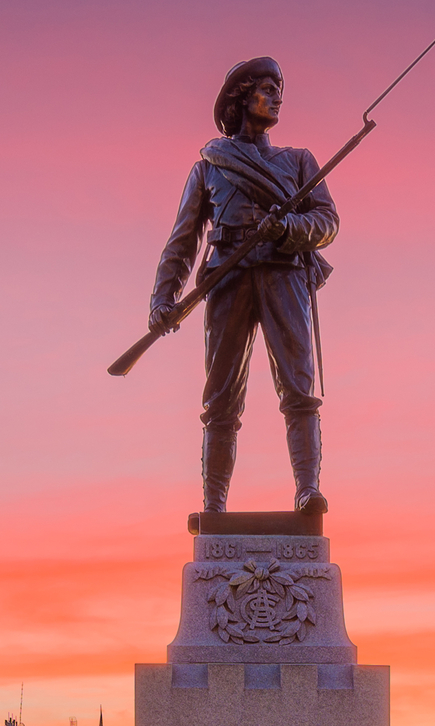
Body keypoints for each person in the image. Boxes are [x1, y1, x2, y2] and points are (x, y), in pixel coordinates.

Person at [149, 57, 339, 514]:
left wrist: (287, 229)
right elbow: (183, 239)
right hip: (228, 277)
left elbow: (327, 222)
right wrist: (162, 297)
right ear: (242, 97)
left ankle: (307, 491)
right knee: (220, 398)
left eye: (279, 90)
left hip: (284, 273)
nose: (277, 97)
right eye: (268, 88)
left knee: (298, 387)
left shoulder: (298, 161)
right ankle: (213, 505)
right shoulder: (209, 165)